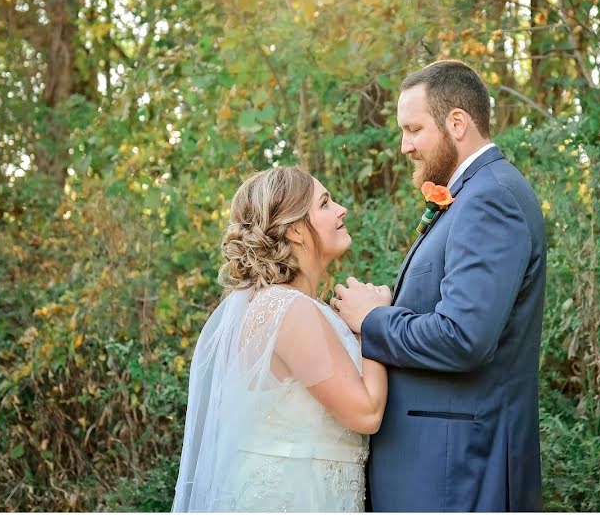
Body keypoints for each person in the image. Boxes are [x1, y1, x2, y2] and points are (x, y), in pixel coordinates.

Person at [333, 60, 547, 511]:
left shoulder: (490, 199)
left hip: (458, 473)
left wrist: (373, 320)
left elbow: (463, 338)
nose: (405, 146)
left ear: (457, 122)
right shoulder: (470, 195)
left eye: (413, 130)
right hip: (438, 467)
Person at [171, 167, 391, 512]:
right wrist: (374, 322)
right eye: (325, 203)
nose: (341, 209)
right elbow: (366, 414)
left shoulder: (296, 307)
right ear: (296, 231)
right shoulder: (288, 309)